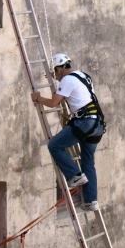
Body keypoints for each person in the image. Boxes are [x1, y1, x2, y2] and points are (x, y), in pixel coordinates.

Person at [31, 53, 105, 211]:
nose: (57, 78)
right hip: (97, 124)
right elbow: (76, 93)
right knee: (88, 162)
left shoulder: (67, 80)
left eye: (56, 73)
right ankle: (91, 201)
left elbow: (53, 103)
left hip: (85, 122)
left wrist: (37, 98)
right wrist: (55, 77)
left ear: (59, 68)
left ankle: (75, 176)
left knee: (55, 146)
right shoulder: (83, 76)